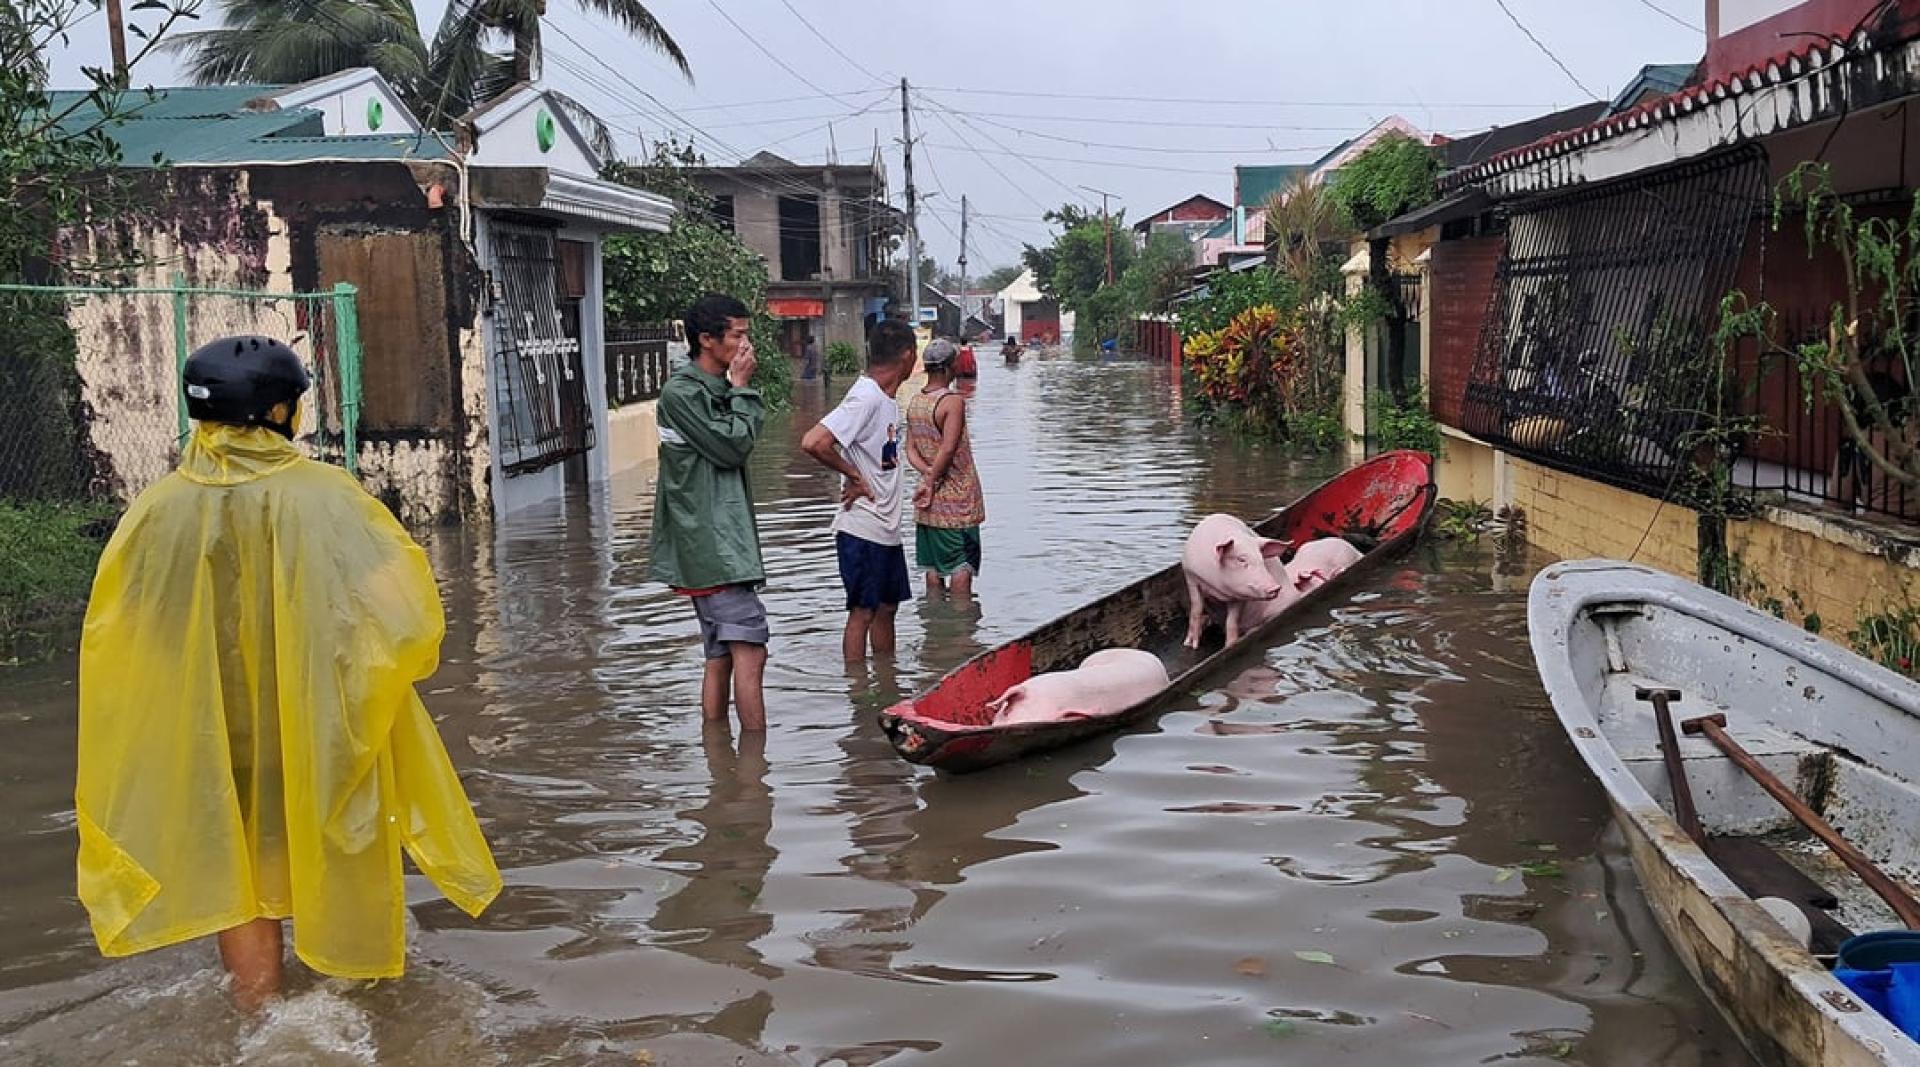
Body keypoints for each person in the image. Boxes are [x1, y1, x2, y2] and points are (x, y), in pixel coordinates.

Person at [76, 335, 501, 1011]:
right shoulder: (329, 497)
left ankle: (259, 1011)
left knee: (237, 869)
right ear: (280, 411)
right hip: (317, 723)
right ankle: (346, 1001)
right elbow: (406, 617)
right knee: (337, 841)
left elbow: (123, 629)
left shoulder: (154, 510)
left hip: (212, 732)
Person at [653, 293, 770, 731]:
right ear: (707, 339)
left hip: (716, 546)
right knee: (750, 650)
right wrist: (742, 389)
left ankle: (722, 767)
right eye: (738, 335)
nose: (746, 346)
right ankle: (756, 773)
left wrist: (736, 389)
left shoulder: (707, 389)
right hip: (713, 547)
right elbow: (732, 446)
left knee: (720, 655)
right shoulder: (682, 393)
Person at [801, 319, 919, 660]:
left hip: (886, 528)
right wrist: (853, 474)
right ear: (908, 356)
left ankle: (886, 683)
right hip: (862, 527)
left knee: (886, 609)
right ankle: (857, 696)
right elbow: (814, 442)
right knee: (862, 613)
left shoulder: (885, 399)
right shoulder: (865, 397)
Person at [907, 340, 987, 600]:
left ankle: (935, 632)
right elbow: (949, 448)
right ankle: (962, 631)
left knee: (933, 567)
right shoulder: (952, 402)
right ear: (948, 367)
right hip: (958, 500)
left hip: (928, 505)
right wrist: (933, 479)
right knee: (961, 565)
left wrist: (927, 477)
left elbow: (910, 451)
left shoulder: (916, 402)